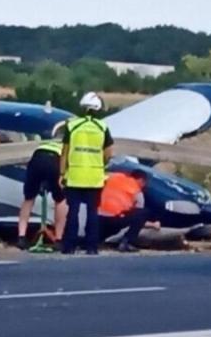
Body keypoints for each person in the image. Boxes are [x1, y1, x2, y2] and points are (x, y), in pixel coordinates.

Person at [59, 92, 113, 255]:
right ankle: (92, 247)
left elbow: (65, 151)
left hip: (75, 175)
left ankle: (69, 246)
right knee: (92, 212)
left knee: (73, 212)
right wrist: (100, 164)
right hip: (94, 177)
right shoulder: (102, 127)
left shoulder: (72, 125)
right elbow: (109, 153)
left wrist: (62, 173)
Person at [16, 123, 68, 250]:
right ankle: (59, 238)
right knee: (60, 199)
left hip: (37, 158)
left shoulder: (46, 142)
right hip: (55, 160)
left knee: (29, 198)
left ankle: (21, 236)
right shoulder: (67, 145)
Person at [98, 170, 153, 253]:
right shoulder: (137, 191)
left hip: (99, 218)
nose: (144, 186)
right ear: (141, 180)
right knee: (143, 212)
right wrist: (153, 225)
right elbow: (139, 218)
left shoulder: (115, 178)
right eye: (144, 183)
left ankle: (98, 241)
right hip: (116, 219)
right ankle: (127, 242)